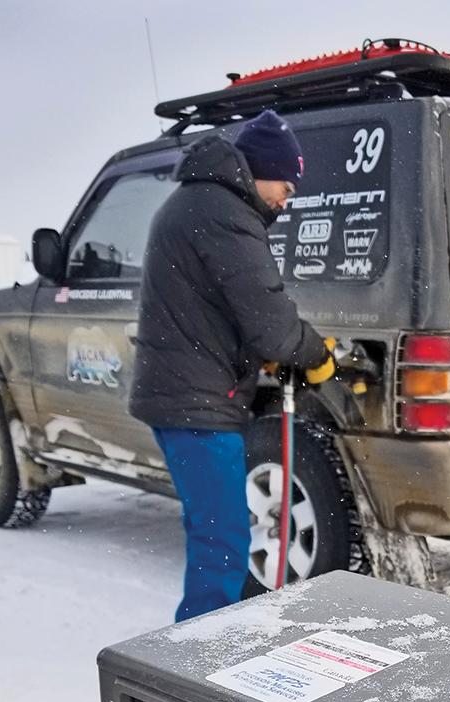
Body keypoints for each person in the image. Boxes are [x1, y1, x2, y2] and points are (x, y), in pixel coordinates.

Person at [129, 110, 334, 621]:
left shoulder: (202, 202)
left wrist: (266, 348)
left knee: (215, 530)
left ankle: (206, 643)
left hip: (188, 394)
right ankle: (198, 661)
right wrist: (315, 354)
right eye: (284, 185)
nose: (286, 199)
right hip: (195, 403)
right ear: (258, 169)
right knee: (221, 537)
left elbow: (223, 307)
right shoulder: (223, 211)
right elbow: (270, 319)